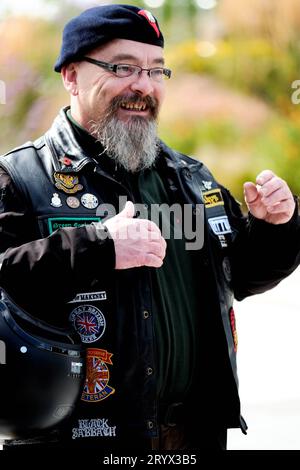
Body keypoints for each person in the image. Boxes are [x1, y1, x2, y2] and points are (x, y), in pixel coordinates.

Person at [0, 4, 299, 452]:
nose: (143, 86)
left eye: (157, 71)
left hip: (193, 437)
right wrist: (98, 247)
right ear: (71, 75)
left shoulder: (191, 178)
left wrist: (276, 225)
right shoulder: (21, 177)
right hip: (76, 440)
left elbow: (246, 275)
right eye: (123, 67)